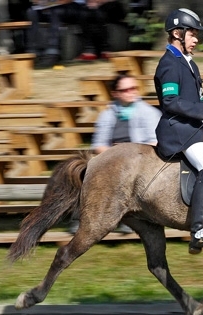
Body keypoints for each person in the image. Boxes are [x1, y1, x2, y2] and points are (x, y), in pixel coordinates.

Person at [153, 8, 203, 254]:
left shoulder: (188, 63)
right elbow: (171, 102)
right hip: (179, 131)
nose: (196, 39)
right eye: (192, 34)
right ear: (176, 33)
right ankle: (198, 231)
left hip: (194, 127)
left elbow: (194, 100)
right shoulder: (169, 64)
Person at [68, 73, 161, 235]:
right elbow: (98, 145)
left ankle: (131, 218)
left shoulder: (149, 113)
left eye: (134, 88)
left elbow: (155, 142)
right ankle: (79, 218)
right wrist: (116, 155)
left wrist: (126, 151)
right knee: (82, 171)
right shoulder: (107, 114)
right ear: (115, 93)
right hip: (113, 159)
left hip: (142, 160)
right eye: (126, 89)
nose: (131, 92)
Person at [25, 0, 84, 68]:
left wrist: (55, 2)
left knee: (54, 11)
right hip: (47, 6)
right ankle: (33, 51)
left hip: (71, 7)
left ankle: (52, 51)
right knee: (31, 11)